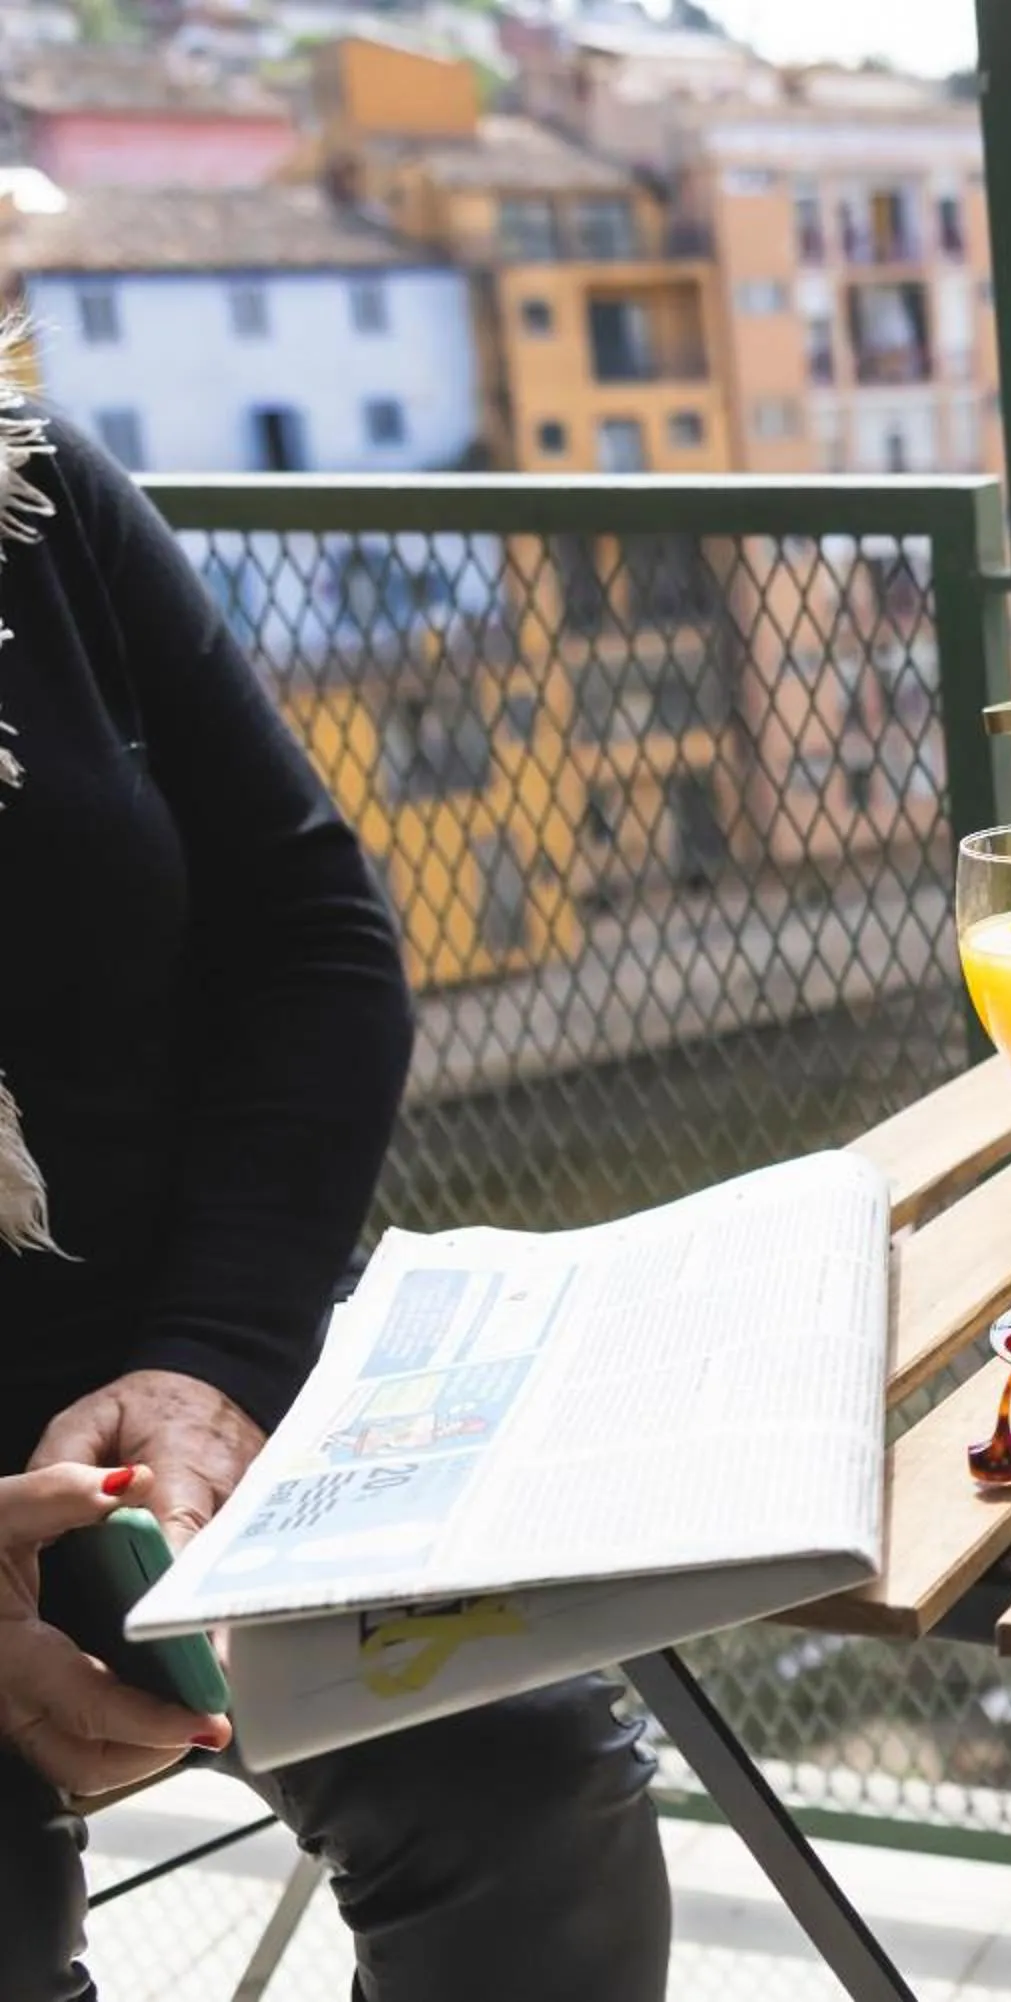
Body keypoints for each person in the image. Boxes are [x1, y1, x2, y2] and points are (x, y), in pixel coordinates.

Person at [0, 364, 670, 1998]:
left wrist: (209, 1362)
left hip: (153, 1403)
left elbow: (310, 931)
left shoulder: (34, 493)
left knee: (529, 1780)